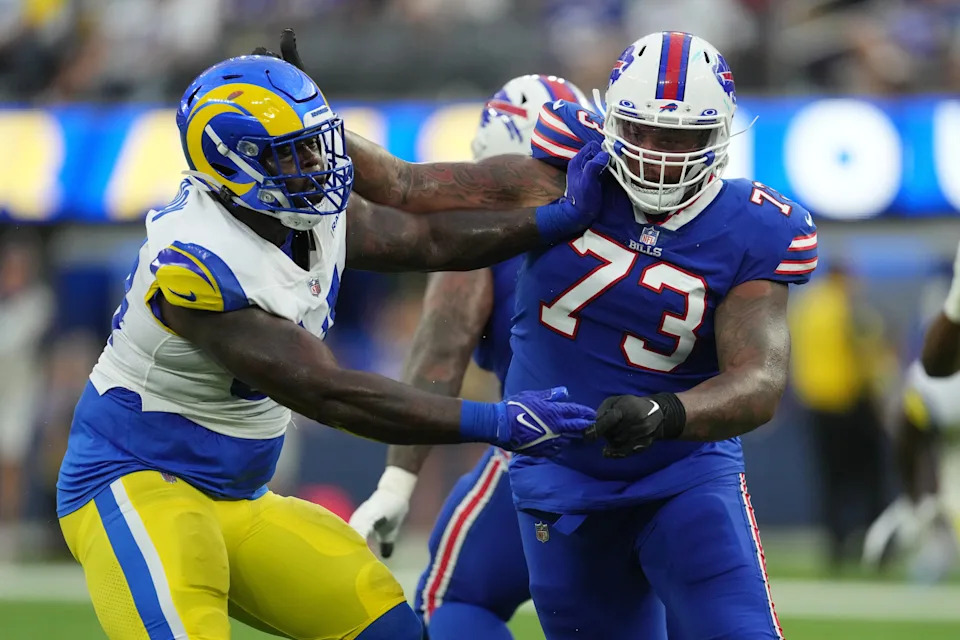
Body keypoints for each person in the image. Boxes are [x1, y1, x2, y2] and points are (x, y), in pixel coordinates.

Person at [55, 54, 606, 640]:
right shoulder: (197, 262)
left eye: (316, 144)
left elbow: (429, 238)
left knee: (389, 626)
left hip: (240, 499)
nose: (317, 164)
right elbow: (331, 394)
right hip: (137, 485)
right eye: (293, 152)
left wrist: (557, 218)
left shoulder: (296, 211)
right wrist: (497, 421)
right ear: (232, 162)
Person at [332, 29, 819, 639]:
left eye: (677, 135)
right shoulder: (563, 174)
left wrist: (665, 412)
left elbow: (761, 380)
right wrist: (312, 122)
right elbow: (405, 185)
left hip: (683, 473)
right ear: (609, 119)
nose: (655, 152)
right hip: (560, 482)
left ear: (717, 134)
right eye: (639, 130)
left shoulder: (754, 226)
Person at [349, 74, 601, 640]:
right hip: (664, 460)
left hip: (545, 454)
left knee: (453, 601)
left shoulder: (484, 225)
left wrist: (396, 484)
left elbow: (441, 350)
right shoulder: (647, 210)